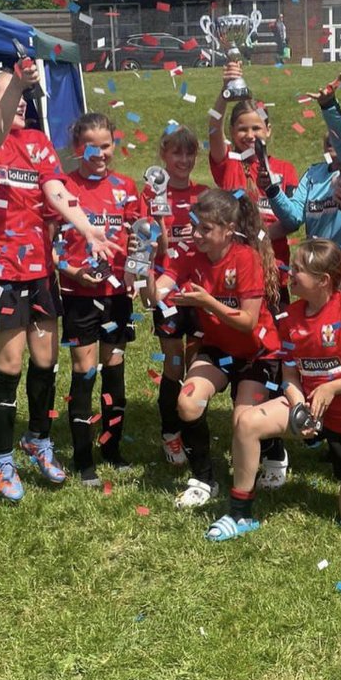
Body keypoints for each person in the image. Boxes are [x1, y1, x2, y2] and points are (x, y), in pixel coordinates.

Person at [0, 62, 119, 502]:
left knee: (46, 362)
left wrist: (87, 228)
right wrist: (18, 85)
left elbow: (56, 192)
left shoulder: (37, 142)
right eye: (10, 93)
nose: (23, 101)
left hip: (39, 270)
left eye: (23, 94)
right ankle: (2, 457)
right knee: (9, 365)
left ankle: (38, 439)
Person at [205, 240, 341, 541]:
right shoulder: (290, 317)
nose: (289, 273)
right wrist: (298, 405)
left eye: (298, 270)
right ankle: (240, 513)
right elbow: (291, 373)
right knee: (246, 423)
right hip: (311, 410)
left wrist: (331, 388)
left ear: (323, 280)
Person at [150, 189, 281, 510]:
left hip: (256, 353)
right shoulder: (189, 255)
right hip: (219, 349)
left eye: (205, 229)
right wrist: (141, 271)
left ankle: (274, 455)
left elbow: (248, 322)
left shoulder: (246, 258)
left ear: (228, 230)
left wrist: (207, 302)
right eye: (196, 226)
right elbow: (155, 296)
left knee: (243, 424)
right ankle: (204, 480)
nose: (196, 235)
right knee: (188, 403)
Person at [208, 66, 299, 487]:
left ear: (269, 130)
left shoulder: (284, 168)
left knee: (273, 358)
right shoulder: (227, 165)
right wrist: (225, 93)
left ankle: (275, 449)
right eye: (241, 128)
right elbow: (211, 128)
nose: (249, 135)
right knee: (243, 351)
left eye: (256, 127)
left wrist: (260, 237)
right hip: (234, 281)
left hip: (275, 278)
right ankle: (248, 427)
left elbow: (290, 219)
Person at [56, 112, 144, 485]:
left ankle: (112, 448)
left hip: (117, 296)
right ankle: (82, 458)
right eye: (91, 147)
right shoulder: (63, 188)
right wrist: (71, 271)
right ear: (77, 148)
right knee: (84, 372)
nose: (100, 153)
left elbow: (141, 235)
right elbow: (45, 245)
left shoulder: (126, 186)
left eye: (106, 146)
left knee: (114, 372)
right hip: (79, 295)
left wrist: (136, 271)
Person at [265, 72, 341, 298]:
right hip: (320, 286)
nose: (331, 135)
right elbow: (293, 218)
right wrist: (272, 190)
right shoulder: (313, 174)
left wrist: (328, 106)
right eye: (329, 130)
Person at [142, 124, 208, 466]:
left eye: (189, 152)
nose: (183, 159)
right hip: (167, 291)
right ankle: (170, 433)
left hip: (200, 291)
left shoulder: (204, 194)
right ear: (163, 155)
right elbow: (156, 248)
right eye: (176, 152)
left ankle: (193, 429)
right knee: (174, 361)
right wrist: (159, 215)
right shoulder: (152, 195)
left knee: (196, 363)